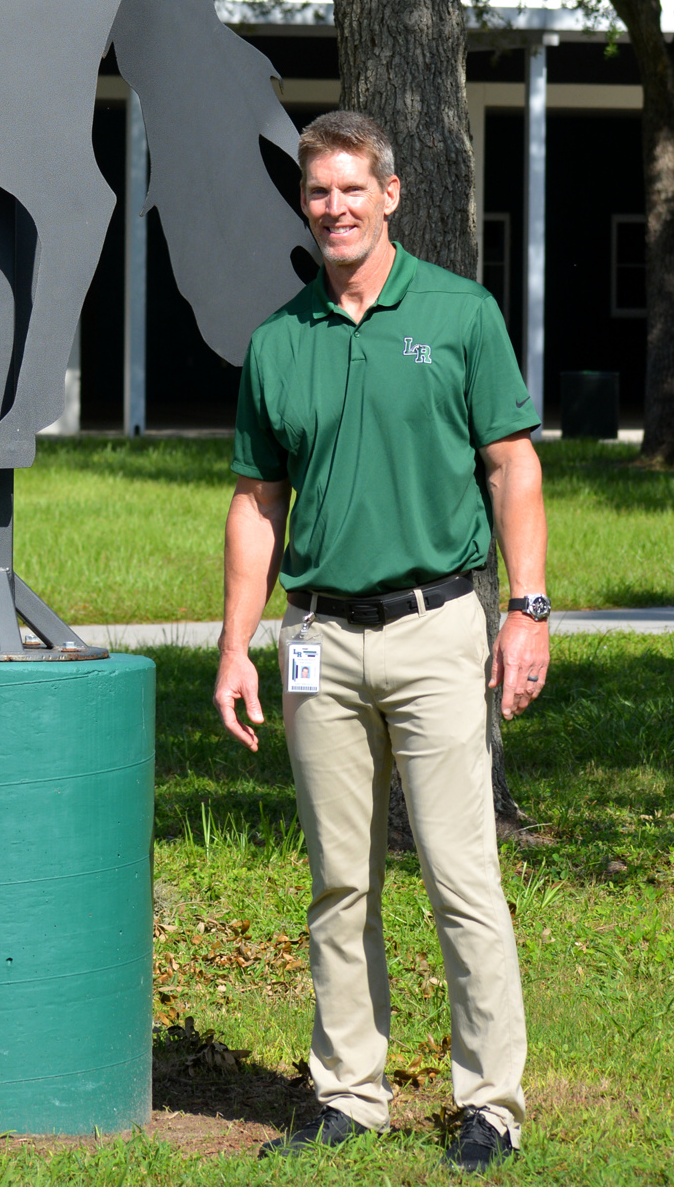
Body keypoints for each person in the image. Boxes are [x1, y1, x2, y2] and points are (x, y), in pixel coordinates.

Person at [214, 111, 550, 1174]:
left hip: (436, 627)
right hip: (318, 636)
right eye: (319, 192)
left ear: (391, 194)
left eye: (354, 188)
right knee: (338, 881)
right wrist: (234, 645)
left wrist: (526, 609)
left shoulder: (458, 315)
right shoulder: (279, 338)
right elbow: (256, 499)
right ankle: (348, 1094)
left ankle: (489, 1101)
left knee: (462, 875)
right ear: (304, 204)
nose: (336, 207)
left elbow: (511, 464)